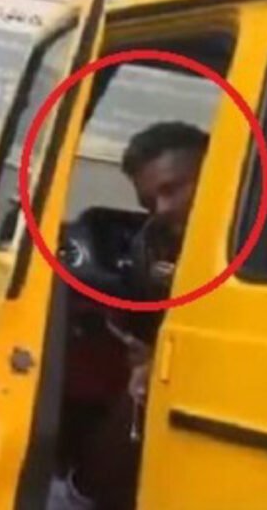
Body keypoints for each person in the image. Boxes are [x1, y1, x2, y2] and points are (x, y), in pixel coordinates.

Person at [49, 121, 208, 510]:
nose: (162, 210)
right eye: (149, 203)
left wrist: (158, 365)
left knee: (144, 386)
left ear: (216, 172)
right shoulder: (197, 245)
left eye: (173, 189)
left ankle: (78, 496)